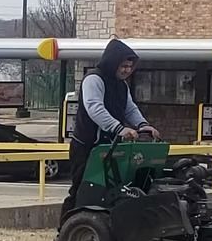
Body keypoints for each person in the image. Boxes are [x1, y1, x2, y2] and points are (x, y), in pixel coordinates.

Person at [60, 38, 160, 223]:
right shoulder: (94, 79)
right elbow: (95, 108)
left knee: (110, 191)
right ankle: (66, 230)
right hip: (88, 146)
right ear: (113, 62)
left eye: (130, 66)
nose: (127, 70)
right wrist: (119, 128)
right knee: (81, 190)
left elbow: (130, 109)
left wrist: (142, 125)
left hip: (111, 147)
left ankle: (105, 227)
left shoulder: (122, 86)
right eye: (123, 66)